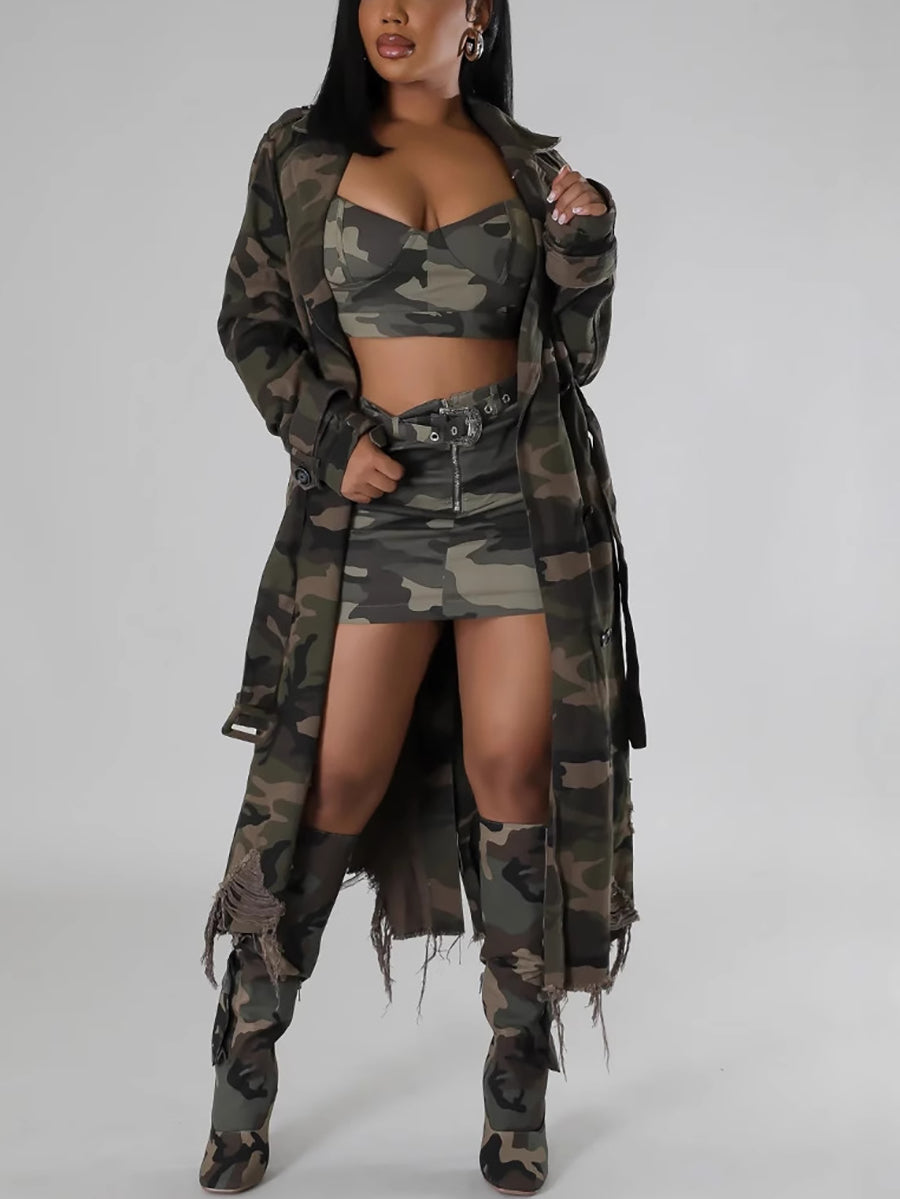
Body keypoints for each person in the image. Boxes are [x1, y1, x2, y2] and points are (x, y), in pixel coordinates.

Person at [199, 1, 647, 1194]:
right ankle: (243, 1069)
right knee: (332, 780)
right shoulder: (300, 151)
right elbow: (252, 322)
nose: (392, 12)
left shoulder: (530, 165)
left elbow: (576, 353)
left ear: (479, 14)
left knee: (514, 776)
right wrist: (327, 436)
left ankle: (516, 1087)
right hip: (377, 508)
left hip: (516, 501)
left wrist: (588, 244)